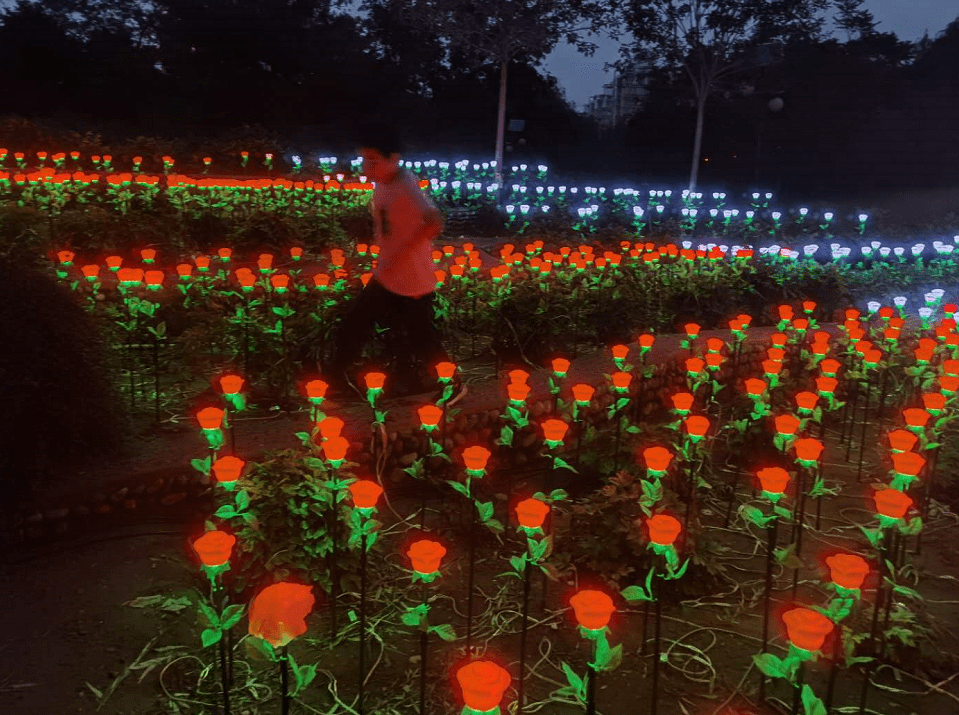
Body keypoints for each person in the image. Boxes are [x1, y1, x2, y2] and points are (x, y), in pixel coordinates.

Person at [324, 120, 465, 404]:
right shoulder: (388, 182)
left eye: (373, 160)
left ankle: (452, 384)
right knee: (359, 324)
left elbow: (434, 221)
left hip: (410, 279)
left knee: (418, 337)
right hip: (390, 275)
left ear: (393, 158)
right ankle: (336, 381)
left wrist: (402, 252)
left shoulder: (404, 186)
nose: (366, 166)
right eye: (363, 159)